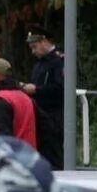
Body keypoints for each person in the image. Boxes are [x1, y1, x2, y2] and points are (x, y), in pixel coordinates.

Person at [25, 28, 66, 167]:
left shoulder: (58, 61)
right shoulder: (39, 63)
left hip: (53, 116)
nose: (33, 51)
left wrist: (36, 90)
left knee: (53, 156)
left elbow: (60, 89)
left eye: (34, 47)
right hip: (39, 115)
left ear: (44, 41)